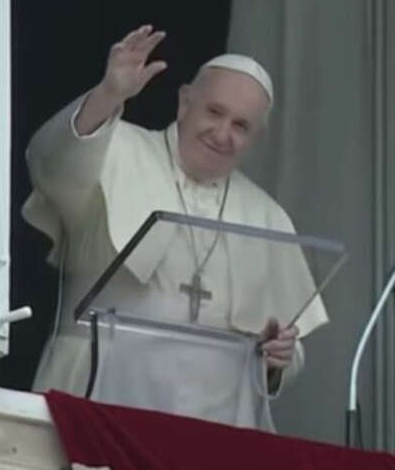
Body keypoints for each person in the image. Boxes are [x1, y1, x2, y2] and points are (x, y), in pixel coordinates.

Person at [22, 25, 328, 430]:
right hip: (98, 396)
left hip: (214, 424)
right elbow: (50, 164)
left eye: (241, 125)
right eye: (214, 112)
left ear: (257, 136)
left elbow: (285, 345)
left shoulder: (269, 217)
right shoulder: (115, 149)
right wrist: (108, 96)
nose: (223, 134)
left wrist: (279, 358)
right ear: (185, 103)